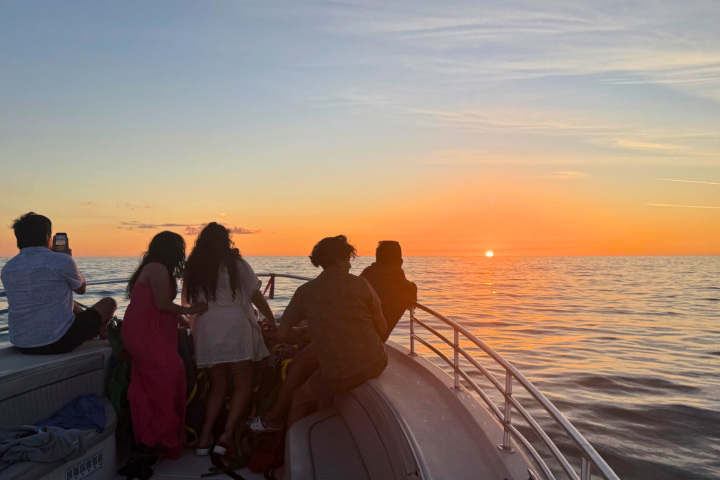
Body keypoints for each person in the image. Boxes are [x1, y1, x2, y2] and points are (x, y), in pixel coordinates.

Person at [247, 240, 416, 435]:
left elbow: (283, 335)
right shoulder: (367, 284)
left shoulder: (306, 291)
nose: (351, 265)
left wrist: (264, 331)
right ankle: (314, 415)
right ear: (338, 261)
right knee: (309, 358)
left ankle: (280, 441)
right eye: (348, 260)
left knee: (299, 394)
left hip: (341, 369)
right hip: (376, 359)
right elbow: (382, 327)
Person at [182, 223, 275, 458]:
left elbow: (188, 302)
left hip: (208, 329)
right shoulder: (237, 265)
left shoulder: (195, 267)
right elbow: (255, 297)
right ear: (227, 241)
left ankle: (204, 438)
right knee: (243, 383)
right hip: (235, 327)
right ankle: (226, 435)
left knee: (217, 386)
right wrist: (271, 319)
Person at [121, 231, 207, 459]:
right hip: (143, 332)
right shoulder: (157, 268)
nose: (182, 252)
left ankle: (154, 437)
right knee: (171, 373)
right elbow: (161, 304)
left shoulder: (158, 268)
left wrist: (186, 322)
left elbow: (160, 305)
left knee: (158, 380)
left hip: (154, 331)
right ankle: (158, 436)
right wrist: (191, 310)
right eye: (180, 247)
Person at [0, 212, 117, 355]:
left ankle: (98, 329)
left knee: (70, 302)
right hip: (57, 342)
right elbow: (81, 289)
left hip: (21, 343)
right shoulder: (61, 260)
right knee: (109, 302)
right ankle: (101, 330)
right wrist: (67, 258)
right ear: (47, 237)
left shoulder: (8, 268)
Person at [360, 241, 417, 341]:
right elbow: (411, 302)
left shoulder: (367, 274)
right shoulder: (405, 288)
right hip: (372, 343)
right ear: (400, 261)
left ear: (377, 258)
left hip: (350, 332)